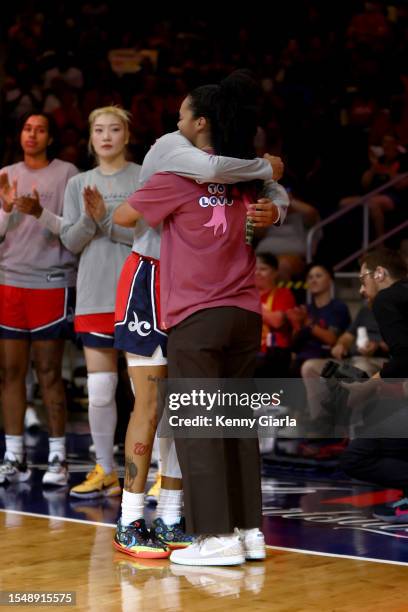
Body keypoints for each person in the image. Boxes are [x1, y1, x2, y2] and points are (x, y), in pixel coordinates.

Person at [101, 69, 287, 566]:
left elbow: (265, 185)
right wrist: (267, 169)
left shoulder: (237, 167)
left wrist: (275, 201)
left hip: (195, 294)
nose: (172, 119)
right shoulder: (169, 147)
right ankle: (131, 516)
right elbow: (234, 173)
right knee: (157, 404)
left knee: (195, 411)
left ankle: (177, 513)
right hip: (154, 281)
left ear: (202, 120)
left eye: (183, 111)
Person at [0, 112, 77, 486]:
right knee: (10, 372)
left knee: (49, 373)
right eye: (27, 128)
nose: (32, 134)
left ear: (51, 137)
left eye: (40, 129)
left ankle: (58, 457)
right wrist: (7, 211)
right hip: (9, 281)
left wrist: (38, 211)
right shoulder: (5, 173)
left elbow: (75, 233)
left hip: (50, 282)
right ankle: (14, 456)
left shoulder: (67, 174)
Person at [339, 249, 408, 522]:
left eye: (363, 278)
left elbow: (405, 359)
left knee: (356, 457)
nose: (360, 288)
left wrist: (369, 386)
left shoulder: (386, 298)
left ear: (380, 274)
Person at [288, 263, 351, 380]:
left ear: (330, 280)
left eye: (318, 276)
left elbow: (332, 339)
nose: (313, 280)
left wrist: (308, 323)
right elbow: (294, 344)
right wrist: (296, 325)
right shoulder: (305, 309)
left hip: (325, 359)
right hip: (301, 358)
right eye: (310, 277)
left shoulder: (338, 307)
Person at [254, 252, 296, 377]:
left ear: (275, 272)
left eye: (263, 269)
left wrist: (250, 305)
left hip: (274, 352)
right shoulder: (247, 296)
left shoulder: (283, 294)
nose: (257, 273)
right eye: (254, 269)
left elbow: (277, 321)